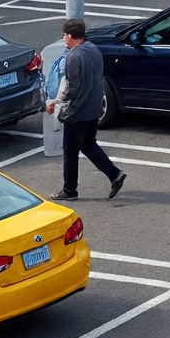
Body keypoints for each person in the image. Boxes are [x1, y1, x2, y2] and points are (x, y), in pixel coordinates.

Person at [47, 20, 126, 203]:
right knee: (88, 144)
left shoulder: (73, 58)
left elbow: (72, 88)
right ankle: (114, 174)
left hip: (77, 112)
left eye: (64, 35)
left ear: (68, 35)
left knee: (70, 152)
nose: (63, 38)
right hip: (94, 108)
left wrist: (55, 103)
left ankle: (69, 191)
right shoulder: (93, 49)